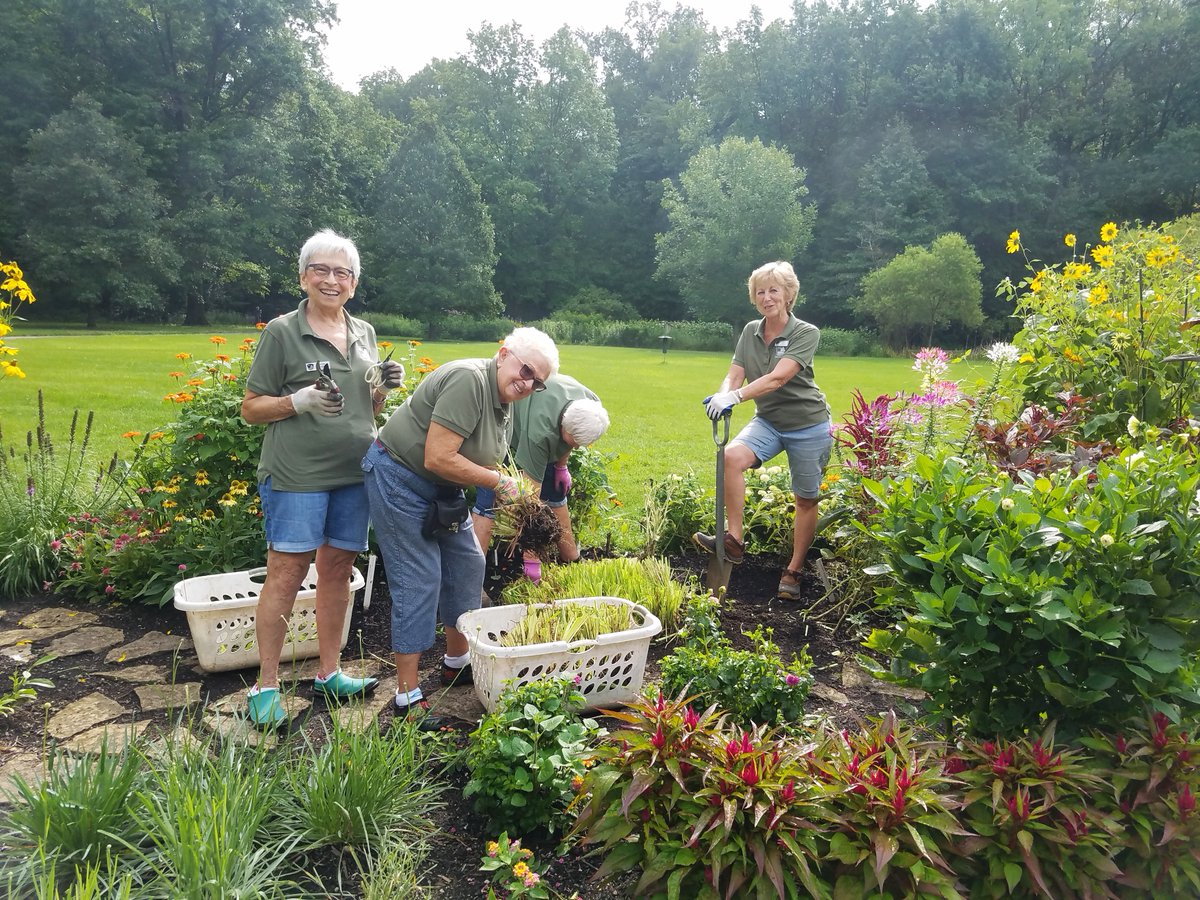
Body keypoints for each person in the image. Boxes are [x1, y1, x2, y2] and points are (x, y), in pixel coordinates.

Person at [240, 229, 405, 728]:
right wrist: (298, 401)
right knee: (286, 573)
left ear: (354, 283)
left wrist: (382, 389)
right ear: (303, 276)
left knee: (337, 572)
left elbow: (366, 407)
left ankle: (328, 672)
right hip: (297, 474)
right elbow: (250, 408)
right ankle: (266, 685)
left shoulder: (365, 332)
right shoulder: (282, 332)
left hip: (355, 473)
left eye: (342, 272)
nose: (332, 280)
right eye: (322, 270)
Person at [363, 327, 559, 728]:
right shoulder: (469, 380)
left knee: (468, 561)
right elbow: (437, 457)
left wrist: (522, 505)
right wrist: (500, 482)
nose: (527, 383)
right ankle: (406, 694)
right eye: (525, 370)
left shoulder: (504, 403)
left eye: (536, 382)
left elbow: (483, 460)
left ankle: (457, 662)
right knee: (419, 578)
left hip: (442, 491)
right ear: (503, 354)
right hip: (399, 478)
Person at [693, 261, 833, 600]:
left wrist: (736, 397)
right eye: (760, 291)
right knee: (730, 457)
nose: (766, 297)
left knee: (805, 498)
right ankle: (735, 540)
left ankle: (794, 570)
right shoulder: (750, 331)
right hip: (769, 422)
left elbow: (778, 377)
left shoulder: (805, 332)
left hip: (808, 425)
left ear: (788, 295)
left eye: (773, 290)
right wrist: (724, 391)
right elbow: (735, 371)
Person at [471, 375, 610, 580]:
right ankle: (474, 581)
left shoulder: (591, 404)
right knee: (488, 502)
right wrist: (532, 555)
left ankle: (572, 561)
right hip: (502, 432)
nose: (578, 447)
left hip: (547, 419)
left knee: (555, 494)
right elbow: (531, 501)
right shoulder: (540, 434)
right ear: (563, 426)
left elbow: (569, 440)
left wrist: (561, 466)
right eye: (575, 441)